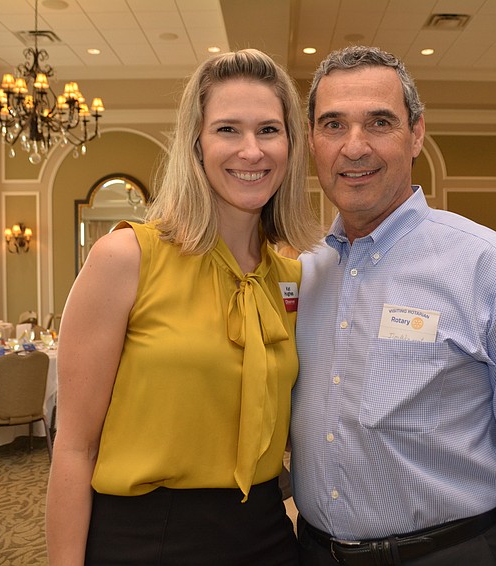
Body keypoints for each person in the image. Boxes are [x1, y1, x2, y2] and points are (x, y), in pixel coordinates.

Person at [291, 45, 496, 566]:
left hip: (452, 553)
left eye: (379, 122)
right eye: (333, 125)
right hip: (315, 554)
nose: (354, 147)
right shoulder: (305, 275)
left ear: (417, 134)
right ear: (313, 142)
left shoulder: (487, 265)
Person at [45, 49, 319, 565]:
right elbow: (74, 448)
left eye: (268, 130)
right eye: (227, 130)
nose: (251, 151)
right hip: (148, 539)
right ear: (195, 145)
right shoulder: (126, 258)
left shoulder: (293, 279)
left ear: (290, 145)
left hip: (266, 531)